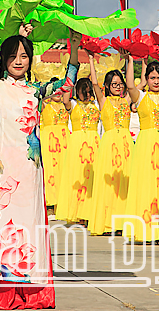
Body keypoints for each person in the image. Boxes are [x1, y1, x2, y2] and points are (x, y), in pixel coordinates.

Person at [0, 11, 80, 310]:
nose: (19, 60)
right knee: (4, 228)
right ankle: (5, 293)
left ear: (31, 59)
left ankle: (33, 294)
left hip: (29, 172)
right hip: (2, 175)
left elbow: (66, 84)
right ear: (4, 59)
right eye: (12, 55)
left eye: (24, 55)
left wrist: (74, 48)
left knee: (30, 225)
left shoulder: (36, 91)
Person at [122, 54, 159, 242]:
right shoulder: (141, 95)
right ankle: (146, 229)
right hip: (146, 146)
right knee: (146, 185)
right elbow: (129, 85)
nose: (156, 81)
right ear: (146, 79)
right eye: (152, 77)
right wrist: (130, 60)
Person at [84, 60, 133, 236]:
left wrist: (134, 59)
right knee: (109, 185)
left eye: (120, 84)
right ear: (107, 86)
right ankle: (107, 223)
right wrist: (91, 59)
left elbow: (139, 83)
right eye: (114, 84)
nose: (118, 87)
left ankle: (123, 223)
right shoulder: (103, 100)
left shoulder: (127, 100)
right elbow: (94, 83)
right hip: (110, 145)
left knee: (125, 184)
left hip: (126, 145)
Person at [55, 77, 101, 224]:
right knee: (77, 179)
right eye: (83, 92)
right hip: (77, 146)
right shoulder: (73, 104)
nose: (87, 95)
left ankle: (89, 213)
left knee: (92, 180)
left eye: (89, 91)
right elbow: (66, 96)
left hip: (94, 144)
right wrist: (72, 77)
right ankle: (78, 212)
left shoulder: (97, 104)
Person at [40, 84, 70, 210]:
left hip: (64, 141)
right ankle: (50, 204)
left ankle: (63, 203)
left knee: (64, 171)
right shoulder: (45, 105)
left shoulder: (67, 106)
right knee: (50, 171)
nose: (58, 93)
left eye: (60, 91)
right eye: (55, 91)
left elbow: (69, 87)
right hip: (49, 143)